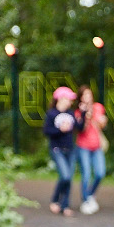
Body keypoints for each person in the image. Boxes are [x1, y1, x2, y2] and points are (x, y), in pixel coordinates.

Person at [43, 86, 83, 216]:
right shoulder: (51, 114)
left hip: (70, 150)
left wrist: (82, 114)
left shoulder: (71, 113)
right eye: (68, 99)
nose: (70, 102)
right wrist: (61, 130)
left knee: (68, 178)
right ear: (60, 99)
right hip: (57, 150)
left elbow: (79, 128)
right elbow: (46, 131)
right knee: (65, 176)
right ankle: (55, 200)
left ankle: (65, 205)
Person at [75, 86, 108, 213]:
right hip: (83, 146)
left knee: (100, 173)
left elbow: (102, 125)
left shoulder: (98, 107)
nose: (88, 97)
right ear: (81, 97)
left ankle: (90, 194)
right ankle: (85, 200)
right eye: (85, 95)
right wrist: (85, 116)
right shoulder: (78, 112)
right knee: (86, 174)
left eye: (89, 94)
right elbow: (80, 129)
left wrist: (101, 121)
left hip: (97, 146)